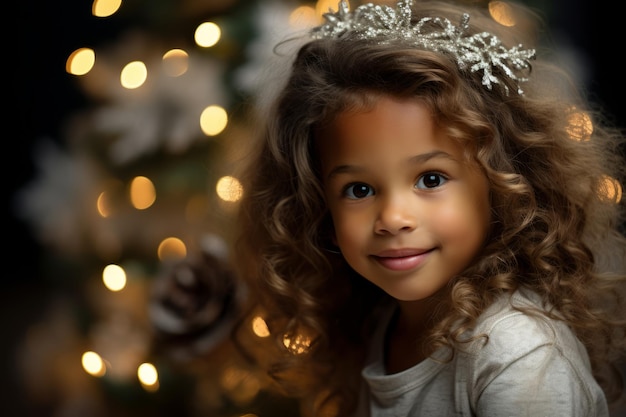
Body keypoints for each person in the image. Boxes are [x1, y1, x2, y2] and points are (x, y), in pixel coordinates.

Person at [231, 0, 626, 416]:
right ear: (319, 205)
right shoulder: (380, 323)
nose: (393, 219)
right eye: (359, 188)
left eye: (431, 179)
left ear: (503, 185)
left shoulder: (518, 355)